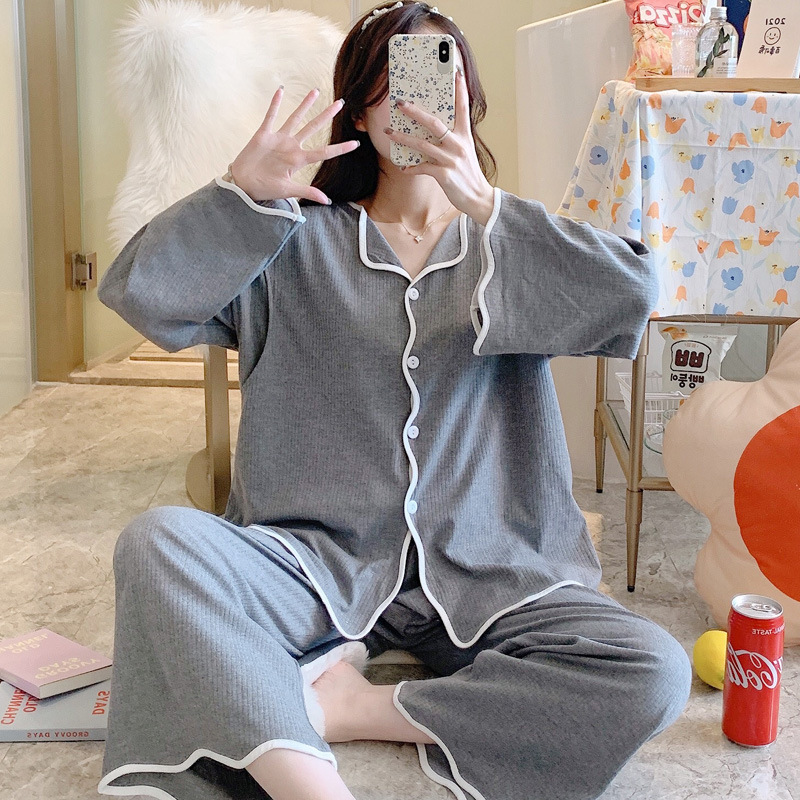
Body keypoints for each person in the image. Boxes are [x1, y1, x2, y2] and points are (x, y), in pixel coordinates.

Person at [96, 3, 691, 799]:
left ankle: (351, 707)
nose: (414, 105)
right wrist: (238, 195)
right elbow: (140, 293)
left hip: (490, 571)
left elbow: (633, 296)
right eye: (390, 83)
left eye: (435, 79)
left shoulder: (507, 247)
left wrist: (487, 204)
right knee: (158, 544)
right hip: (315, 566)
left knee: (653, 669)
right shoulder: (293, 239)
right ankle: (308, 783)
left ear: (467, 99)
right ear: (358, 109)